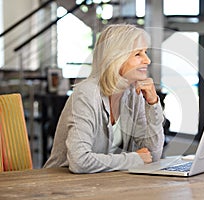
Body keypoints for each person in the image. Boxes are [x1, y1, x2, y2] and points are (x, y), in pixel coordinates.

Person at [44, 24, 165, 173]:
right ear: (116, 58)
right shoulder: (87, 93)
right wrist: (134, 159)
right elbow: (79, 161)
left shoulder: (134, 93)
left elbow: (152, 154)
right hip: (62, 184)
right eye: (138, 54)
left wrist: (153, 104)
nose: (147, 60)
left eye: (145, 52)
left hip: (104, 183)